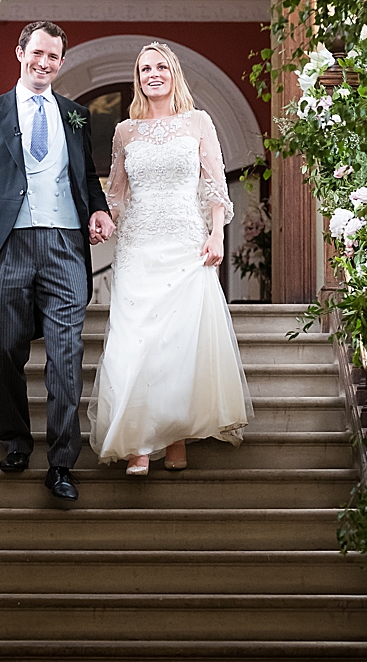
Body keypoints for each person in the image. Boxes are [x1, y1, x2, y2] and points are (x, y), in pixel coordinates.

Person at [0, 21, 114, 501]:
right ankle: (17, 438)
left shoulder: (76, 115)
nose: (44, 63)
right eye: (37, 53)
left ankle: (62, 462)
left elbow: (85, 177)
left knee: (67, 355)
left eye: (53, 57)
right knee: (3, 345)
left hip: (66, 245)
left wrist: (100, 208)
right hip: (8, 245)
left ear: (61, 62)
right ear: (21, 52)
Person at [88, 42, 253, 475]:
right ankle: (139, 442)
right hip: (139, 245)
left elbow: (215, 184)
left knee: (179, 344)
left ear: (173, 73)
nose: (152, 74)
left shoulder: (198, 122)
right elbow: (118, 193)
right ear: (138, 78)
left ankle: (176, 437)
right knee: (136, 341)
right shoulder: (125, 131)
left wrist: (217, 233)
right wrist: (104, 220)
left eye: (161, 66)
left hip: (185, 242)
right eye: (144, 68)